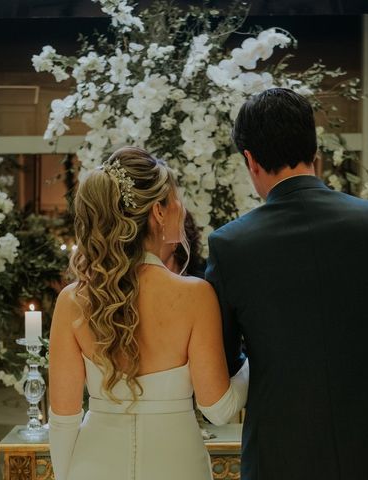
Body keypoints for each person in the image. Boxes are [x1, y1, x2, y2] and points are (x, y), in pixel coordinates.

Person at [205, 88, 368, 480]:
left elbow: (225, 355)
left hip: (281, 453)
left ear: (250, 160)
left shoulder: (230, 245)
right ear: (313, 148)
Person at [48, 147, 249, 480]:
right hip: (177, 466)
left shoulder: (73, 301)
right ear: (158, 211)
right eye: (176, 200)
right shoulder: (195, 295)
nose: (181, 208)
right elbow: (219, 409)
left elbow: (64, 420)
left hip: (93, 465)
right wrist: (254, 366)